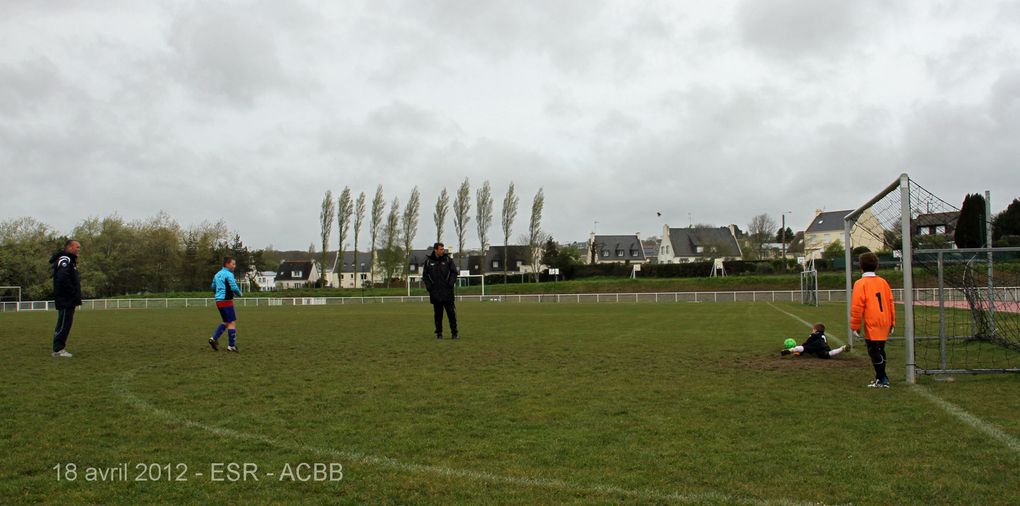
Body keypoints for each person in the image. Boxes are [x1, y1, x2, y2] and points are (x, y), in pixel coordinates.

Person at [850, 252, 895, 388]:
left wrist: (855, 326)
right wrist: (892, 322)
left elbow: (857, 306)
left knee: (873, 350)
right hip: (885, 320)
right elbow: (890, 302)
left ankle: (882, 378)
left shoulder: (860, 283)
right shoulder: (883, 282)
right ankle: (879, 378)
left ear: (861, 267)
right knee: (880, 349)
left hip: (872, 321)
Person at [50, 239, 82, 358]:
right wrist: (72, 292)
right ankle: (58, 349)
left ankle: (60, 348)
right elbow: (62, 278)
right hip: (65, 299)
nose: (78, 249)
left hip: (69, 299)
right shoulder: (65, 260)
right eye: (77, 247)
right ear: (69, 247)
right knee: (63, 324)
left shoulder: (71, 261)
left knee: (66, 323)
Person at [422, 242, 459, 339]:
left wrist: (450, 284)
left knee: (451, 314)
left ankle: (454, 334)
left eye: (443, 249)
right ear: (436, 250)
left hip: (447, 293)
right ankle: (439, 334)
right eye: (441, 249)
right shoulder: (428, 262)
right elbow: (425, 277)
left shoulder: (448, 260)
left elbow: (454, 272)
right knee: (438, 315)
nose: (443, 251)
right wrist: (430, 288)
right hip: (436, 294)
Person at [209, 256, 242, 352]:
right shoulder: (228, 274)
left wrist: (219, 292)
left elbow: (213, 286)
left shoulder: (217, 274)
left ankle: (213, 339)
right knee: (232, 323)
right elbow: (234, 287)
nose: (234, 266)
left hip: (218, 302)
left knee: (226, 322)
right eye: (233, 264)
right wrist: (240, 294)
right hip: (227, 301)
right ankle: (231, 346)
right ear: (227, 264)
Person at [781, 323, 848, 358]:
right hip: (824, 347)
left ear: (815, 330)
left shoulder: (814, 335)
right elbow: (825, 343)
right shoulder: (823, 335)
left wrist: (801, 352)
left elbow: (807, 343)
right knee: (828, 354)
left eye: (813, 329)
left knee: (804, 347)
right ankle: (842, 348)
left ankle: (791, 350)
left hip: (816, 344)